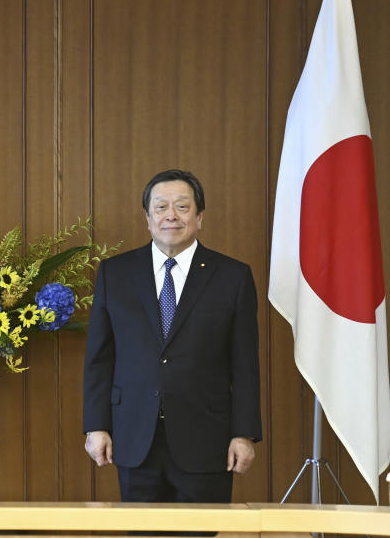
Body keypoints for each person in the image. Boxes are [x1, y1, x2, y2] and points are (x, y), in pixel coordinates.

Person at [83, 169, 261, 503]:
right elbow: (99, 358)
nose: (171, 216)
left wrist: (244, 433)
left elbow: (245, 364)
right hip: (134, 435)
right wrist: (96, 426)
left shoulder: (232, 277)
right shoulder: (115, 274)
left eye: (182, 207)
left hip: (207, 439)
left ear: (200, 216)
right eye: (161, 207)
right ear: (147, 217)